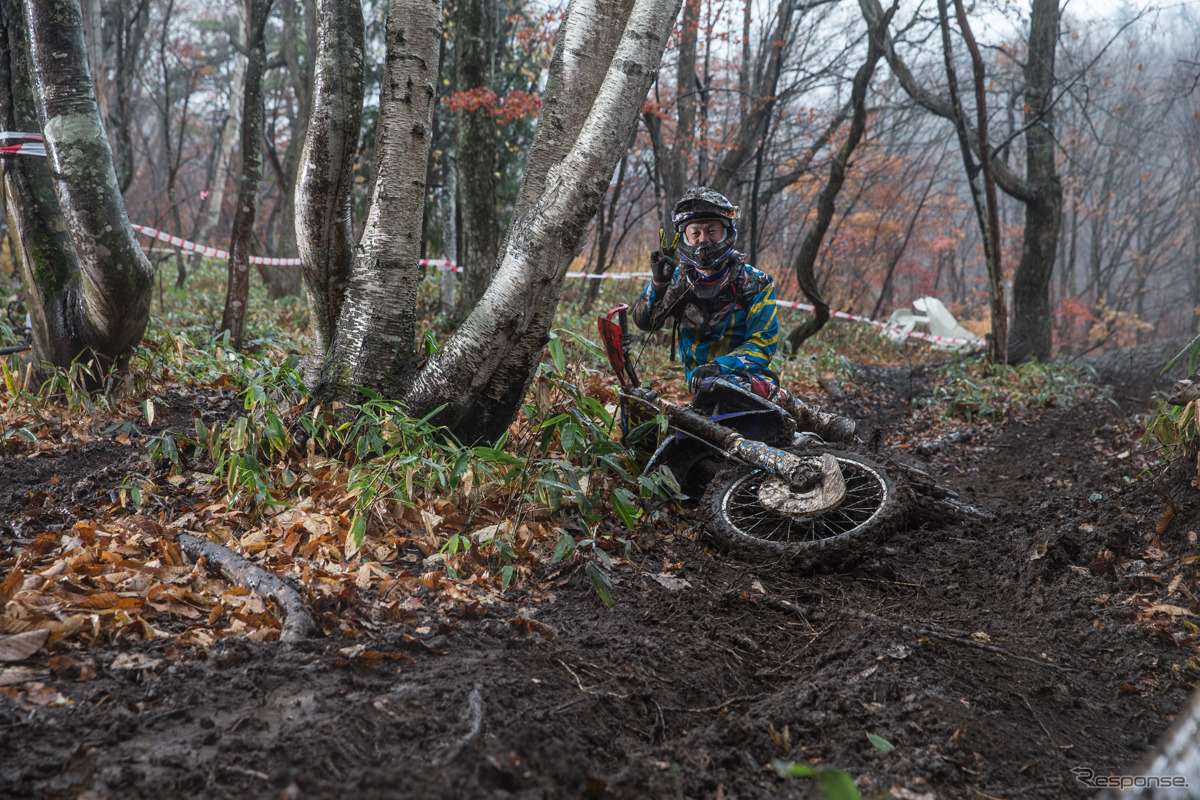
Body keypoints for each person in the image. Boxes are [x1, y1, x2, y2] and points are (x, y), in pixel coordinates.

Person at [631, 186, 856, 442]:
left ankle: (815, 419)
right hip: (701, 391)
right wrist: (658, 284)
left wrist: (719, 368)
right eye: (696, 232)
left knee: (742, 396)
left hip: (751, 381)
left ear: (725, 232)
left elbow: (763, 344)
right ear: (685, 238)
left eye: (712, 231)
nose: (704, 239)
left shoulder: (754, 282)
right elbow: (645, 322)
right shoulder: (679, 282)